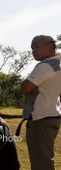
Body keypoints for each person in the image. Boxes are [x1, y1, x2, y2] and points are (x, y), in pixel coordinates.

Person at [19, 35, 61, 170]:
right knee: (45, 158)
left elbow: (25, 88)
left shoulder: (45, 66)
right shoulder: (58, 64)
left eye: (37, 47)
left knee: (41, 163)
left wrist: (32, 86)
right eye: (32, 48)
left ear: (50, 46)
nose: (33, 51)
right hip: (52, 116)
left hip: (40, 119)